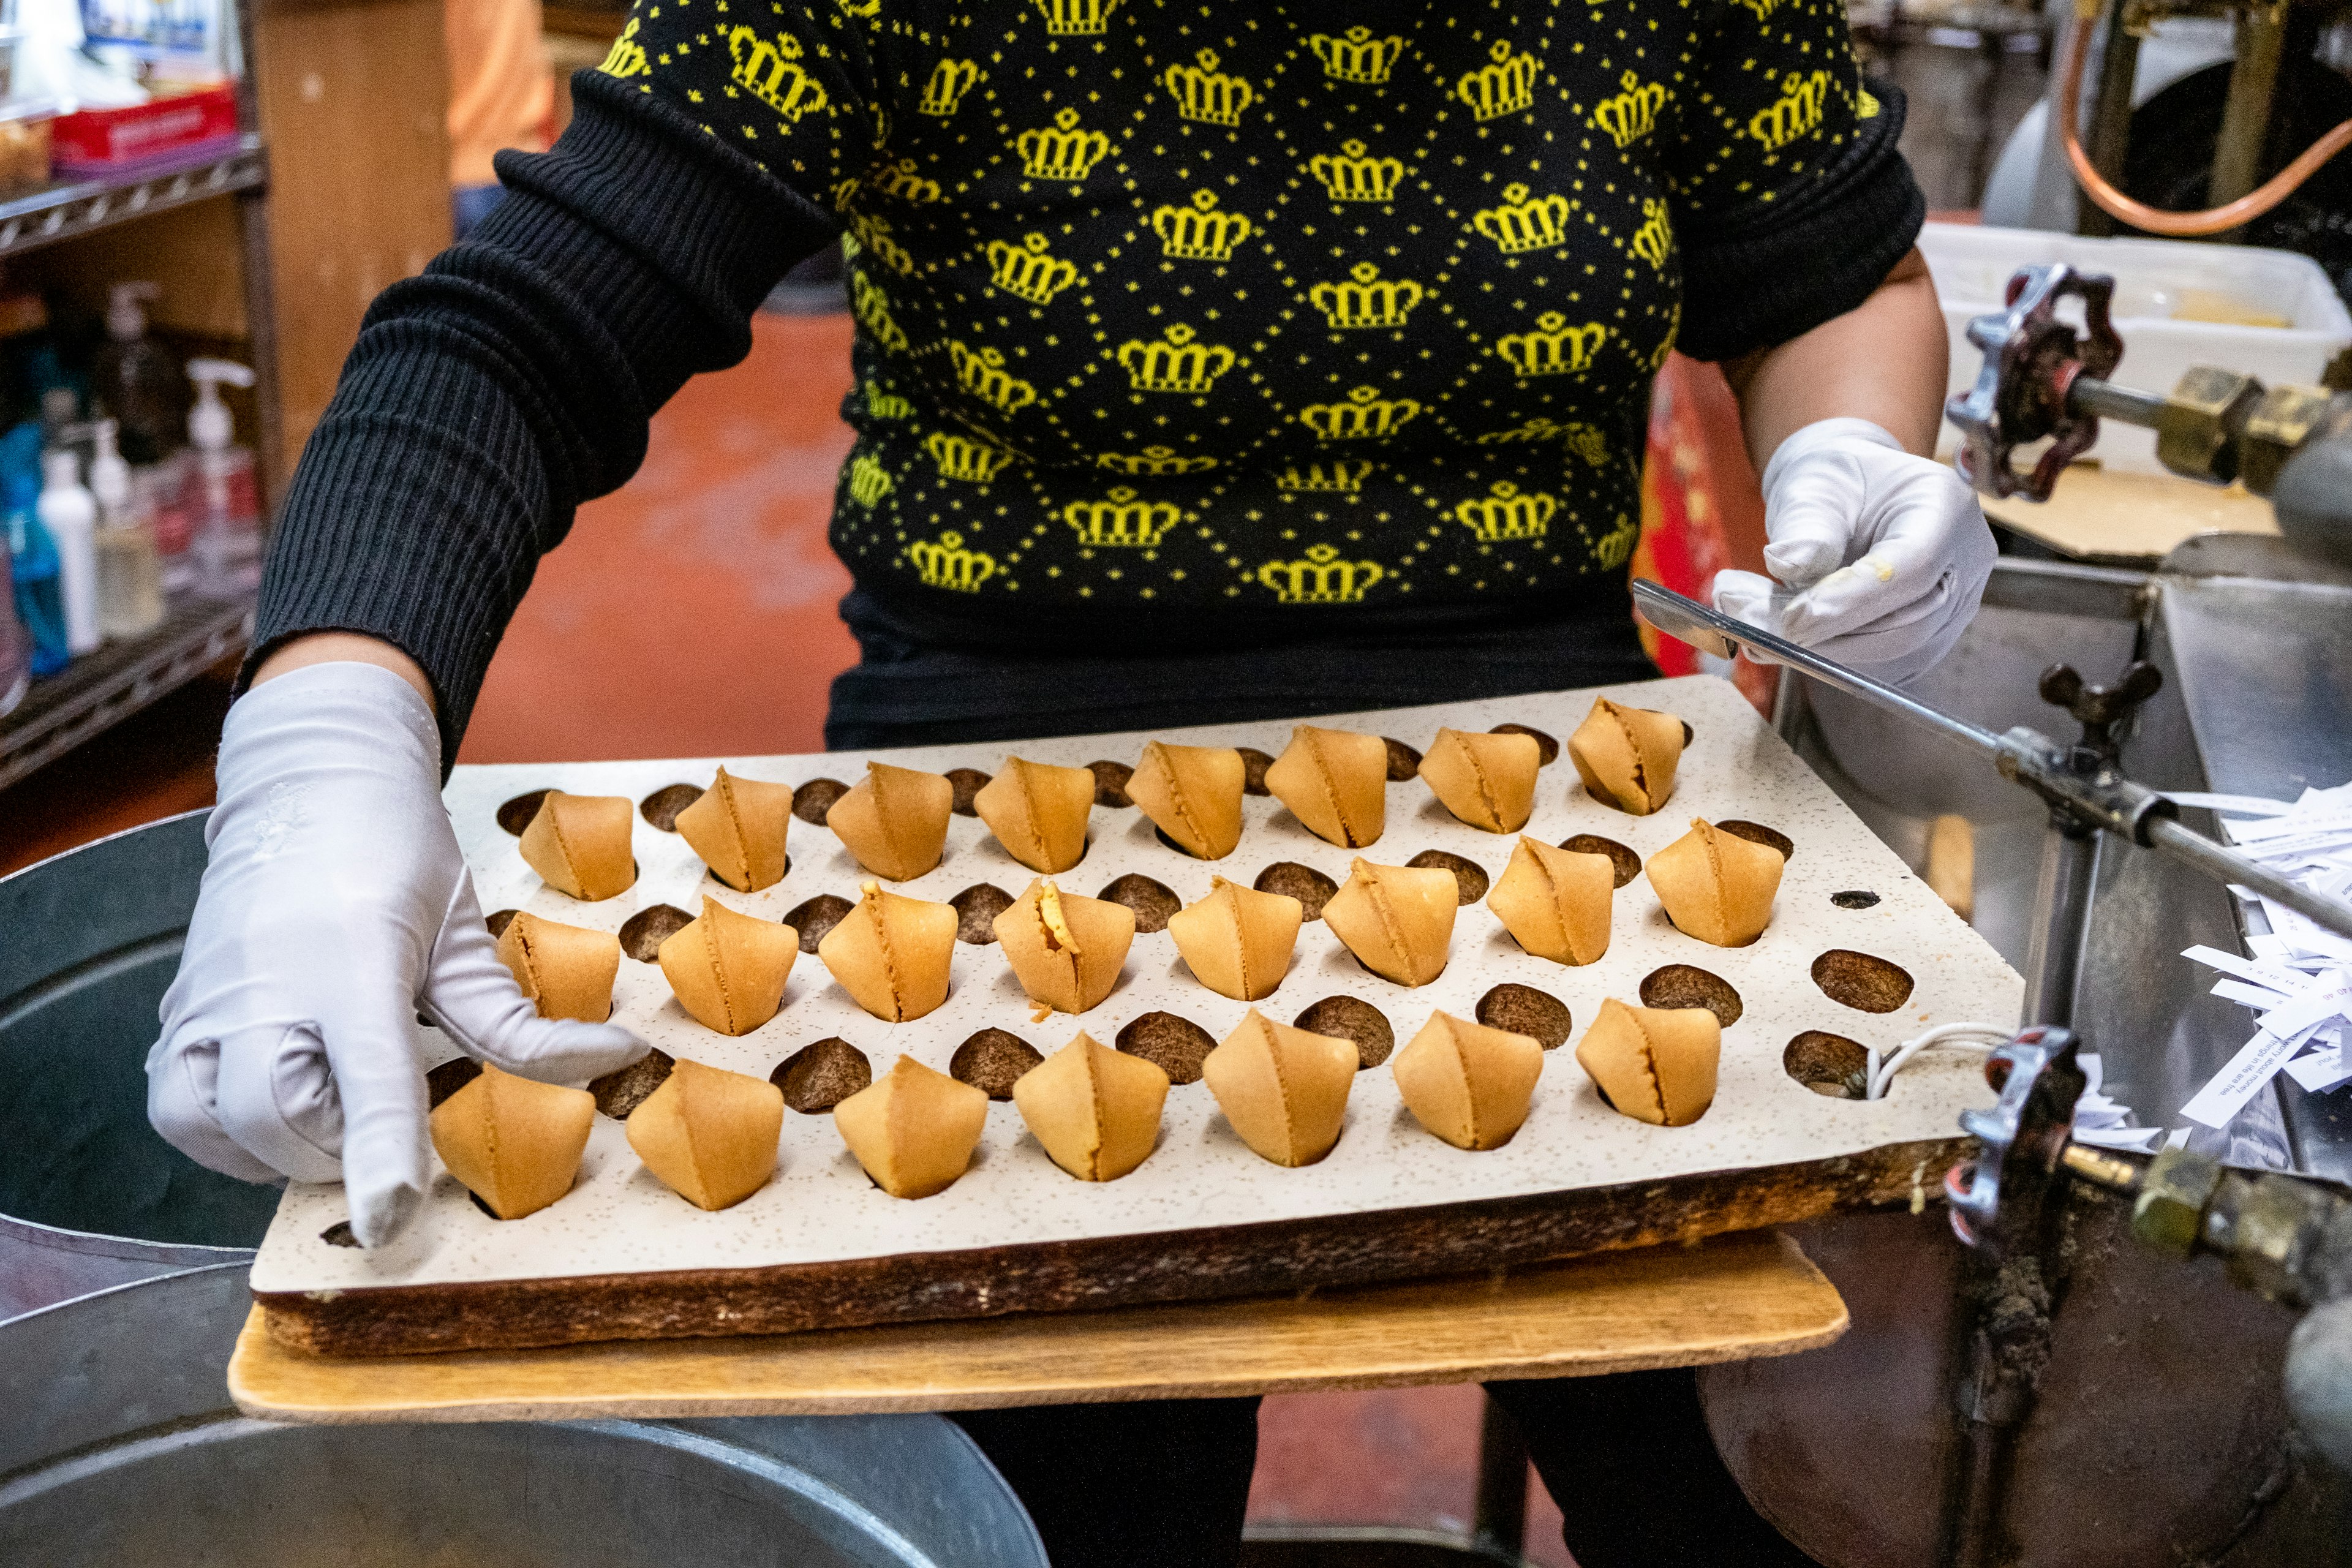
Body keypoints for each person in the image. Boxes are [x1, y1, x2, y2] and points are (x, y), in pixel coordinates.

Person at [148, 2, 1993, 1563]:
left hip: (1558, 818)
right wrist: (326, 732)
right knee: (1058, 1516)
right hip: (989, 829)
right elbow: (516, 332)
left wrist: (1851, 447)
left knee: (1762, 1498)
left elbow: (1833, 276)